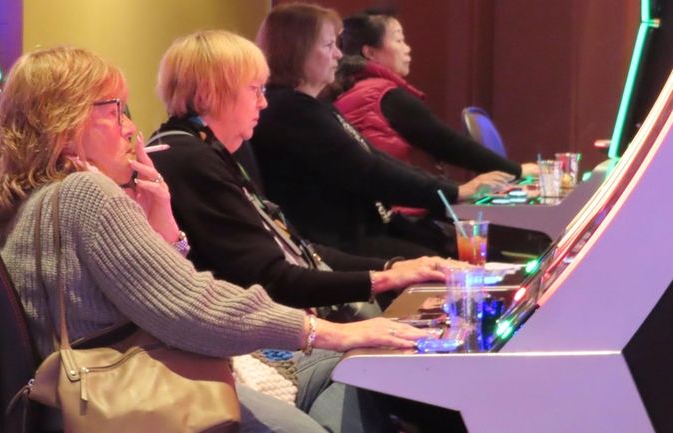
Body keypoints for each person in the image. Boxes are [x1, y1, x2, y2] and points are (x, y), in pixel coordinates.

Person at [0, 45, 435, 433]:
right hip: (137, 392)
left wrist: (161, 217)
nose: (129, 127)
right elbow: (193, 310)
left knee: (351, 370)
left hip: (121, 378)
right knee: (353, 362)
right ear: (65, 124)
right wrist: (327, 332)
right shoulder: (85, 194)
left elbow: (151, 295)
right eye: (115, 109)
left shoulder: (32, 200)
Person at [149, 30, 455, 319]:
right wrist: (383, 279)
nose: (264, 102)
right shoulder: (189, 160)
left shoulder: (205, 148)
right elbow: (272, 279)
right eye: (254, 89)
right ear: (208, 95)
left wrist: (394, 267)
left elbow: (297, 250)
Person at [251, 2, 512, 260]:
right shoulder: (292, 111)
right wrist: (453, 191)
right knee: (470, 265)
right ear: (297, 51)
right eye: (329, 45)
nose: (339, 55)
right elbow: (368, 170)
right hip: (340, 244)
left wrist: (451, 189)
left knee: (482, 254)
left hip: (368, 228)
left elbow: (373, 157)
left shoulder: (311, 104)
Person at [329, 8, 538, 178]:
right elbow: (448, 143)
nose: (407, 49)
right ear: (370, 52)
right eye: (398, 40)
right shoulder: (382, 95)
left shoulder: (351, 87)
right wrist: (517, 171)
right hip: (387, 214)